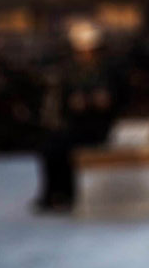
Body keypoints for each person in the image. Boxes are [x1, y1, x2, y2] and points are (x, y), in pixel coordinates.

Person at [35, 20, 122, 211]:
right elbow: (63, 100)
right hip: (75, 124)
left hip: (98, 125)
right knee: (51, 147)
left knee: (65, 146)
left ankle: (67, 194)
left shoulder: (108, 69)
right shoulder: (70, 70)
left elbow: (118, 96)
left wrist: (106, 100)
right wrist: (73, 102)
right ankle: (55, 193)